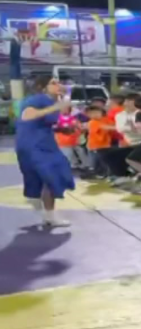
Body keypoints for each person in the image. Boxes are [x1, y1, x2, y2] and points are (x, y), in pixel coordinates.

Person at [15, 75, 76, 228]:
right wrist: (56, 107)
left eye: (58, 82)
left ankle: (43, 208)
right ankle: (47, 212)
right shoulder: (37, 99)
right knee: (54, 173)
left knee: (43, 177)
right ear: (42, 87)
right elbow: (27, 116)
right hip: (36, 144)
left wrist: (62, 129)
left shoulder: (50, 101)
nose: (58, 85)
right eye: (53, 83)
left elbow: (44, 122)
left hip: (40, 142)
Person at [54, 105, 89, 172]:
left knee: (81, 152)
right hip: (63, 141)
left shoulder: (73, 118)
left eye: (66, 109)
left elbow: (80, 127)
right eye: (62, 108)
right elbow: (54, 128)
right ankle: (74, 166)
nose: (64, 110)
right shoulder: (56, 119)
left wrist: (79, 128)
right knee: (69, 154)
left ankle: (86, 165)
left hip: (75, 140)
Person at [84, 102, 114, 177]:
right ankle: (98, 173)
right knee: (98, 161)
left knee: (105, 160)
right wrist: (118, 128)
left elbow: (111, 124)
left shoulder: (104, 119)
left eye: (97, 113)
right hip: (95, 146)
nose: (96, 115)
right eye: (92, 113)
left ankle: (105, 173)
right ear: (88, 115)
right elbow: (104, 127)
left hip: (105, 145)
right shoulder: (92, 122)